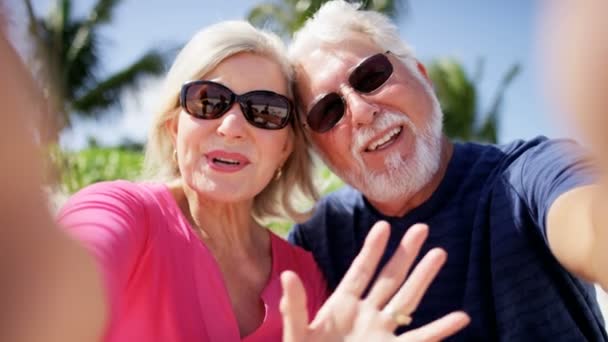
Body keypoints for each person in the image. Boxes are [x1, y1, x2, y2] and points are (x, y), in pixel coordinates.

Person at [0, 13, 470, 341]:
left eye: (264, 112)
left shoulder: (303, 275)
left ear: (286, 144)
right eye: (208, 101)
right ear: (173, 124)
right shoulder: (121, 212)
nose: (232, 126)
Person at [287, 1, 608, 340]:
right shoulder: (318, 240)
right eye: (327, 111)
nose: (362, 111)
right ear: (318, 149)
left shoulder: (524, 177)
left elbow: (588, 222)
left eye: (371, 77)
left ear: (422, 78)